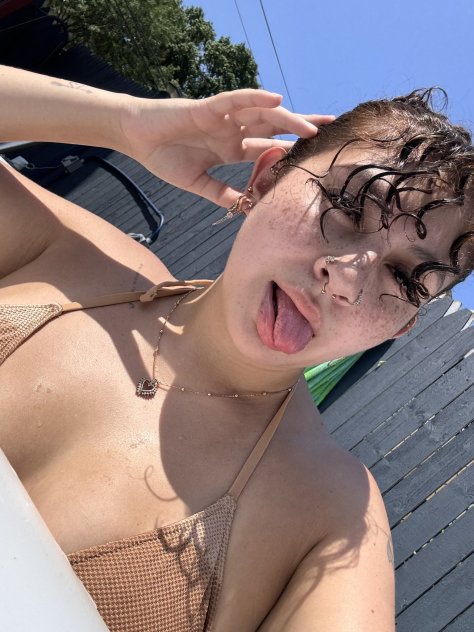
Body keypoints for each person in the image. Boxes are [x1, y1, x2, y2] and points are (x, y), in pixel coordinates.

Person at [0, 64, 473, 632]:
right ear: (267, 180)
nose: (347, 280)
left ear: (401, 326)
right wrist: (125, 122)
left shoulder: (333, 520)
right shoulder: (63, 255)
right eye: (347, 208)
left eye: (404, 277)